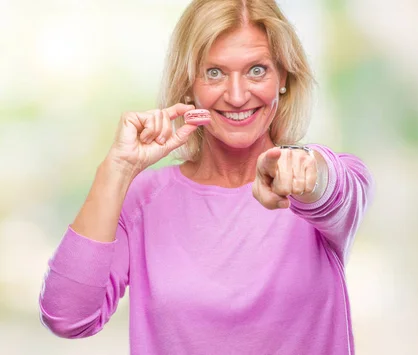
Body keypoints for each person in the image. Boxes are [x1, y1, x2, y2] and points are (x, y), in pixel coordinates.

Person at [38, 0, 374, 354]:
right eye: (214, 72)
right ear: (188, 84)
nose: (237, 95)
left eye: (257, 70)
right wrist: (116, 170)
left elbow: (329, 186)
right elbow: (66, 317)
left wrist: (302, 168)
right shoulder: (143, 200)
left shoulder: (321, 186)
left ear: (284, 78)